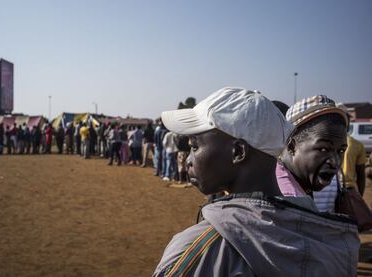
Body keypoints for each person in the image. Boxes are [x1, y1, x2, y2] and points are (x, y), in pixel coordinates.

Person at [153, 87, 359, 276]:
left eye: (195, 146)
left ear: (238, 152)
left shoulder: (197, 250)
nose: (188, 159)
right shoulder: (329, 240)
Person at [277, 96, 348, 212]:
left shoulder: (302, 186)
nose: (335, 162)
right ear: (291, 146)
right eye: (323, 149)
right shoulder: (290, 204)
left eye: (341, 151)